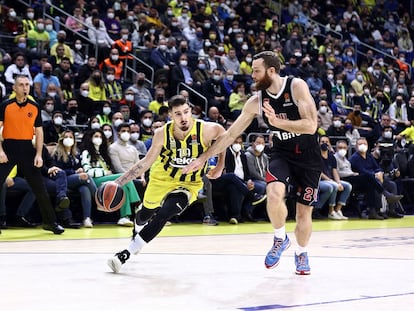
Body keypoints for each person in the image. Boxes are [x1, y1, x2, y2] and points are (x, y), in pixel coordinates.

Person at [183, 51, 322, 275]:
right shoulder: (256, 101)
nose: (252, 76)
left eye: (256, 71)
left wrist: (277, 122)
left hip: (309, 156)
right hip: (282, 153)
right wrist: (203, 158)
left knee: (303, 214)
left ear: (272, 71)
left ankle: (301, 253)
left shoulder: (297, 87)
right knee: (274, 193)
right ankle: (280, 239)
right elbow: (229, 135)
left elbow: (311, 125)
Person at [107, 95, 226, 273]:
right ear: (170, 115)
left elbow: (225, 136)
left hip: (189, 183)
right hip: (161, 178)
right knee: (144, 215)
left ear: (191, 111)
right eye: (178, 114)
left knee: (166, 212)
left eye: (186, 112)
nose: (183, 118)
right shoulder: (161, 133)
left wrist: (220, 164)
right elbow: (145, 163)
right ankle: (138, 226)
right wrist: (118, 183)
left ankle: (125, 254)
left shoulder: (207, 129)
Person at [0, 75, 64, 234]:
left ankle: (50, 222)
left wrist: (39, 155)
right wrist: (0, 151)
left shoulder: (35, 107)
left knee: (40, 188)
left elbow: (39, 132)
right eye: (21, 85)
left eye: (27, 84)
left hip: (28, 148)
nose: (25, 87)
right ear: (14, 88)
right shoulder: (5, 105)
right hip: (8, 147)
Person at [81, 128, 139, 227]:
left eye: (100, 137)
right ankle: (138, 204)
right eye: (96, 136)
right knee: (123, 177)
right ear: (90, 138)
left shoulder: (102, 154)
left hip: (105, 180)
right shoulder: (86, 152)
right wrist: (104, 172)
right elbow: (87, 171)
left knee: (122, 184)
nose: (98, 139)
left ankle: (124, 217)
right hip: (93, 181)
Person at [53, 130, 97, 228]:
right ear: (61, 139)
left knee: (84, 189)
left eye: (71, 137)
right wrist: (75, 172)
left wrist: (79, 170)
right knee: (86, 177)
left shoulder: (76, 153)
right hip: (62, 181)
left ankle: (87, 218)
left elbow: (78, 168)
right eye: (66, 137)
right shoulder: (57, 153)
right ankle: (99, 200)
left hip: (74, 180)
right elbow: (59, 171)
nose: (68, 139)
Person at [314, 136, 351, 220]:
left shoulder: (332, 157)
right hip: (319, 180)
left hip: (331, 180)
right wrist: (331, 181)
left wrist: (338, 182)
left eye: (327, 142)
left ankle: (338, 210)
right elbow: (319, 172)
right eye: (322, 141)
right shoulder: (316, 156)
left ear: (330, 144)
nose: (325, 143)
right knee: (332, 186)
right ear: (319, 143)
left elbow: (335, 171)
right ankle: (330, 211)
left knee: (347, 186)